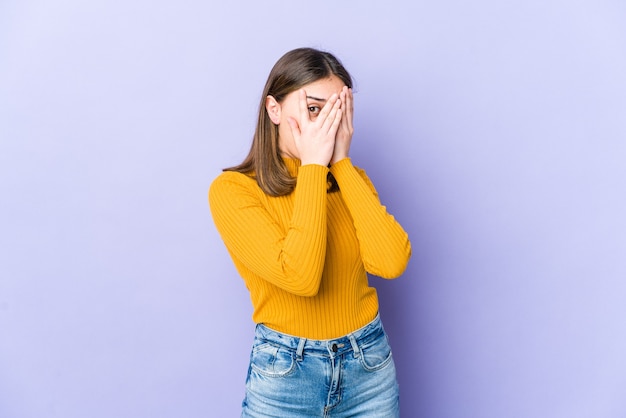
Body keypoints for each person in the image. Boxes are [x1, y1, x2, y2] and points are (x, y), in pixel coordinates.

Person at [208, 47, 411, 417]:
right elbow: (300, 276)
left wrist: (342, 165)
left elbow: (392, 261)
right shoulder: (234, 191)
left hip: (369, 366)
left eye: (336, 112)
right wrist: (315, 166)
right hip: (287, 376)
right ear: (274, 110)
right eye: (314, 110)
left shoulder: (350, 181)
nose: (324, 126)